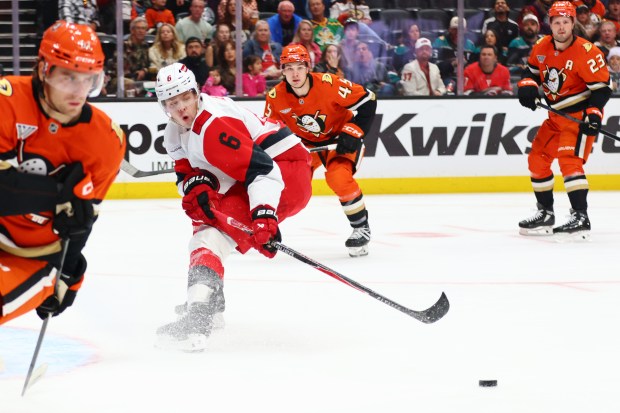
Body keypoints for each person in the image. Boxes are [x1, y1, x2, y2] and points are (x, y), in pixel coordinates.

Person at [153, 62, 312, 350]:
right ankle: (210, 300)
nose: (181, 109)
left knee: (209, 238)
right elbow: (185, 175)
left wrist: (264, 217)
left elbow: (263, 170)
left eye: (186, 98)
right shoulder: (174, 134)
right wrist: (196, 184)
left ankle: (199, 316)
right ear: (163, 104)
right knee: (203, 217)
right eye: (172, 103)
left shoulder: (212, 126)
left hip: (286, 171)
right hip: (255, 170)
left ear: (197, 93)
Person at [0, 21, 126, 325]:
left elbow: (82, 221)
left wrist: (69, 271)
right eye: (68, 77)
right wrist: (56, 194)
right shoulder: (6, 101)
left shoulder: (107, 141)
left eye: (88, 80)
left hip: (33, 257)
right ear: (44, 69)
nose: (78, 91)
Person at [264, 45, 377, 257]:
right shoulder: (274, 97)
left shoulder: (329, 84)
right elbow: (271, 131)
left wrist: (353, 132)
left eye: (300, 67)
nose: (295, 73)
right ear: (282, 70)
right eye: (289, 68)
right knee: (291, 188)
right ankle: (266, 226)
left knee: (338, 176)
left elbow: (368, 100)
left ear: (308, 67)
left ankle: (361, 227)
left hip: (338, 140)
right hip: (304, 145)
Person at [516, 1, 611, 239]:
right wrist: (527, 86)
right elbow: (532, 72)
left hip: (578, 117)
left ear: (572, 24)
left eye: (565, 22)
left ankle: (581, 216)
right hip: (555, 116)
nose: (561, 27)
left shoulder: (587, 51)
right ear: (550, 24)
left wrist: (594, 113)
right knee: (537, 159)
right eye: (556, 22)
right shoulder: (541, 46)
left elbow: (601, 89)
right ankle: (545, 213)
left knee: (569, 162)